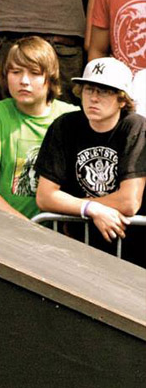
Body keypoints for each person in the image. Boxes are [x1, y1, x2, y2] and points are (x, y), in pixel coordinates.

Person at [35, 57, 145, 265]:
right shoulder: (64, 126)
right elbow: (45, 196)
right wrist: (92, 210)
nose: (94, 98)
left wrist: (75, 204)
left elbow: (129, 202)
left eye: (104, 91)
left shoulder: (135, 126)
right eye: (88, 89)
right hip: (78, 249)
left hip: (131, 249)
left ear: (122, 100)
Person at [0, 36, 78, 218]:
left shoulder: (73, 119)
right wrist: (24, 226)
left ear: (50, 78)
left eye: (34, 73)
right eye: (16, 72)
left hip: (61, 235)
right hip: (2, 230)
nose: (24, 81)